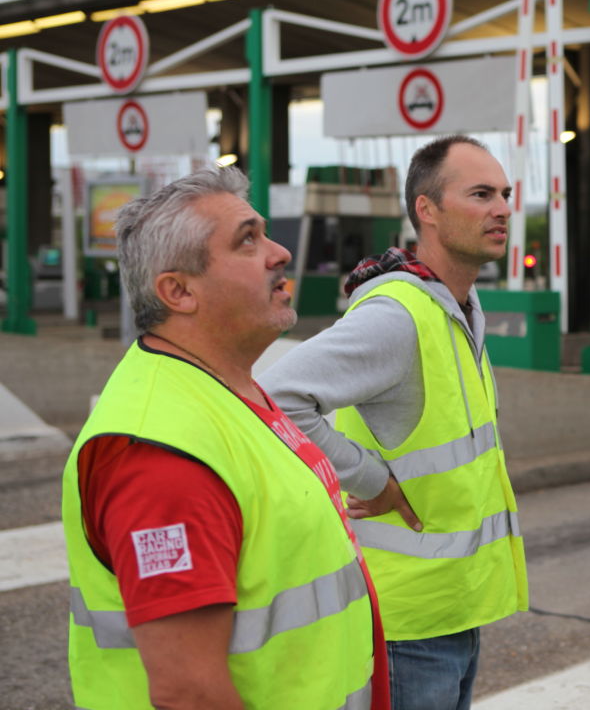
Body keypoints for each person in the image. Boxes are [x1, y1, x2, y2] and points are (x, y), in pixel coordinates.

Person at [62, 167, 388, 709]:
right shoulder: (163, 454)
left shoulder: (227, 388)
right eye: (247, 241)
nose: (280, 252)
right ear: (179, 291)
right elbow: (190, 692)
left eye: (265, 233)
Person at [261, 135, 528, 710]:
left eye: (505, 194)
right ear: (426, 210)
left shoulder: (456, 307)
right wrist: (369, 478)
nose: (502, 209)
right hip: (406, 625)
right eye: (481, 194)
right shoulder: (397, 315)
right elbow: (277, 397)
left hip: (452, 611)